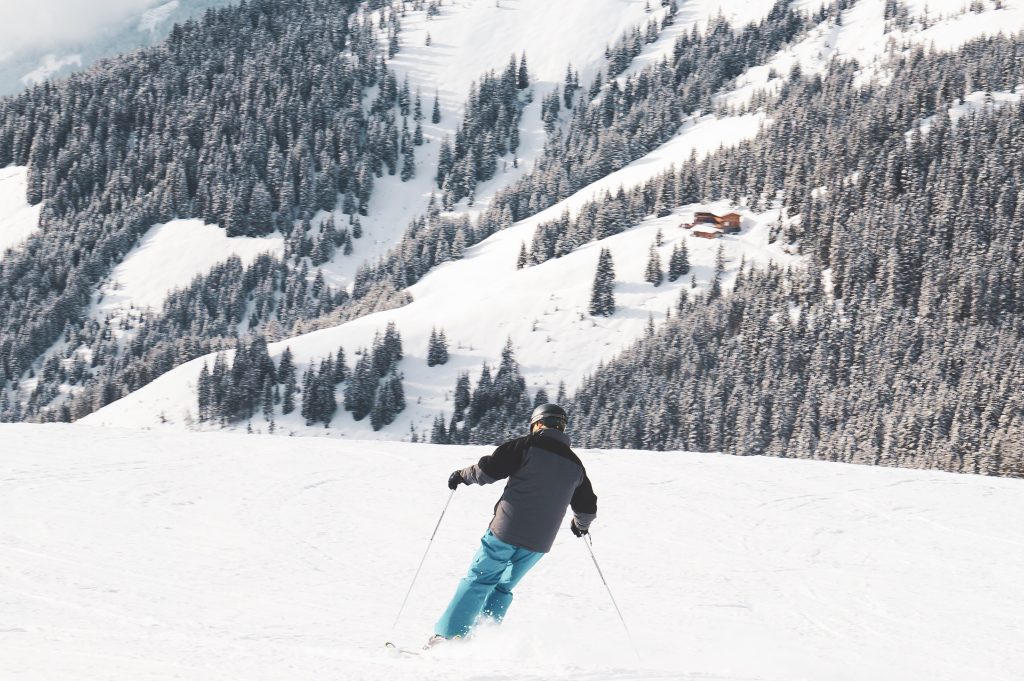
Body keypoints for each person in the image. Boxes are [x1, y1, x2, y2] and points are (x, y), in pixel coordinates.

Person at [430, 403, 598, 644]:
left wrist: (461, 475)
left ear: (538, 424)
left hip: (505, 531)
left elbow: (488, 470)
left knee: (480, 579)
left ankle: (447, 638)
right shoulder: (576, 465)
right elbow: (587, 507)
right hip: (539, 543)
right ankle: (481, 640)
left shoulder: (526, 446)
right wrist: (580, 525)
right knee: (502, 588)